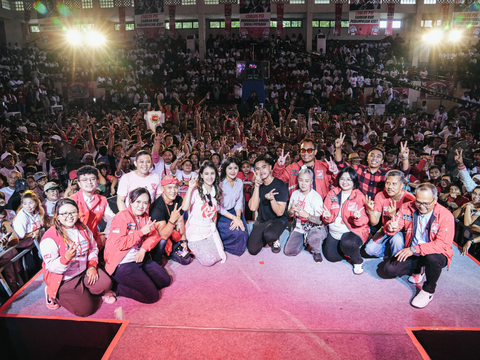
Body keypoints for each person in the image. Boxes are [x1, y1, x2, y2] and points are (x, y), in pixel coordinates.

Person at [383, 183, 454, 308]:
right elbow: (395, 225)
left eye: (426, 203)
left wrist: (415, 249)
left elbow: (443, 245)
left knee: (433, 258)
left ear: (435, 200)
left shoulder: (445, 215)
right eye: (419, 202)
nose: (422, 206)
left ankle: (428, 290)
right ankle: (419, 270)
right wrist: (391, 227)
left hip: (432, 252)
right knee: (389, 270)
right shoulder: (407, 207)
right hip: (413, 251)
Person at [40, 198, 115, 316]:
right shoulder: (50, 236)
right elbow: (51, 267)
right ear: (57, 216)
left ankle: (85, 291)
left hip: (84, 270)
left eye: (73, 212)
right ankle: (52, 293)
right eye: (64, 213)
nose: (69, 216)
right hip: (65, 278)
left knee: (105, 284)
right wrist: (65, 259)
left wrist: (91, 266)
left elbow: (93, 248)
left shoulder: (83, 228)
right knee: (85, 311)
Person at [105, 188, 171, 304]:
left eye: (145, 203)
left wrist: (144, 249)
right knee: (152, 296)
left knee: (164, 281)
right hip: (122, 263)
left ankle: (139, 280)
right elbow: (120, 244)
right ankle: (118, 288)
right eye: (138, 202)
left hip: (139, 257)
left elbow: (155, 236)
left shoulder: (145, 217)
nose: (141, 206)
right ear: (130, 201)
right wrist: (141, 232)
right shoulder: (122, 217)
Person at [322, 167, 369, 274]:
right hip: (334, 231)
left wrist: (357, 218)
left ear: (354, 181)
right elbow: (326, 214)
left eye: (349, 179)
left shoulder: (359, 196)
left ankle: (357, 260)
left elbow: (364, 220)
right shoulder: (332, 193)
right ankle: (347, 250)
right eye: (342, 179)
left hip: (353, 231)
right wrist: (327, 216)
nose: (345, 182)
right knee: (331, 257)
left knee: (347, 243)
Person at [335, 133, 410, 199]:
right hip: (359, 206)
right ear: (367, 158)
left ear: (382, 161)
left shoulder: (387, 173)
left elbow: (403, 173)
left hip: (378, 208)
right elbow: (341, 164)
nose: (374, 158)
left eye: (378, 156)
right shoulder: (359, 169)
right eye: (372, 155)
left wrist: (405, 158)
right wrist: (338, 148)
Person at [182, 161, 227, 266]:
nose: (209, 177)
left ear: (216, 175)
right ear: (201, 175)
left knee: (220, 254)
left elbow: (215, 213)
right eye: (206, 174)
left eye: (212, 173)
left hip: (209, 230)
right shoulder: (196, 191)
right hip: (195, 232)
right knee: (210, 261)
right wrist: (190, 188)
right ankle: (192, 247)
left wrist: (213, 230)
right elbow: (184, 207)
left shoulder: (216, 191)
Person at [364, 170, 416, 258]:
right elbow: (374, 222)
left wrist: (393, 216)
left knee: (397, 240)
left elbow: (411, 226)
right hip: (385, 228)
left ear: (402, 185)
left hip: (402, 232)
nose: (390, 187)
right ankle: (390, 253)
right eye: (388, 183)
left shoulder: (410, 199)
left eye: (394, 184)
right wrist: (370, 211)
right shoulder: (380, 195)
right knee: (369, 250)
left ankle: (396, 261)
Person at [247, 156, 288, 255]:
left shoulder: (280, 185)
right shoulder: (256, 187)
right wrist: (256, 186)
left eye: (264, 167)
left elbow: (279, 212)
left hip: (278, 220)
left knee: (270, 235)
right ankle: (265, 235)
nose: (261, 170)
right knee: (252, 249)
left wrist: (272, 199)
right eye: (257, 168)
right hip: (262, 220)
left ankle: (274, 239)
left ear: (270, 168)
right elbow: (252, 208)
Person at [284, 166, 327, 262]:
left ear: (311, 182)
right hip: (300, 227)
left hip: (315, 227)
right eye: (301, 180)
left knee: (314, 237)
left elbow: (320, 221)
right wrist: (291, 210)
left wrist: (307, 215)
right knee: (289, 252)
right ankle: (305, 242)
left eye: (307, 181)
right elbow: (290, 215)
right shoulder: (295, 194)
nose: (303, 184)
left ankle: (316, 251)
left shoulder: (316, 197)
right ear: (298, 180)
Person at [273, 138, 338, 199]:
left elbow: (337, 183)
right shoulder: (293, 167)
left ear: (315, 152)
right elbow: (276, 180)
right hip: (297, 207)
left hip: (319, 207)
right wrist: (279, 166)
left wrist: (335, 172)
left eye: (309, 150)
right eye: (303, 150)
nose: (306, 153)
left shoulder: (324, 167)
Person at [149, 175, 192, 265]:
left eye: (175, 187)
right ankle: (158, 259)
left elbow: (180, 223)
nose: (173, 191)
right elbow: (163, 235)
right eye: (169, 187)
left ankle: (171, 251)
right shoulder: (157, 207)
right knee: (162, 242)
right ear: (162, 188)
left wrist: (183, 241)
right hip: (160, 239)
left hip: (173, 236)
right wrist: (172, 221)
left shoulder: (178, 199)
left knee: (187, 258)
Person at [70, 166, 116, 251]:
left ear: (97, 181)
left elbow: (112, 218)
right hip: (76, 243)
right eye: (85, 180)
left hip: (95, 240)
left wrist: (106, 235)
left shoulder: (102, 200)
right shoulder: (72, 201)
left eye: (92, 179)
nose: (89, 182)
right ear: (79, 183)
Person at [217, 158, 248, 256]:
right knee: (236, 233)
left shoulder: (239, 182)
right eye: (230, 168)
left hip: (235, 212)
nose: (233, 171)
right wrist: (234, 218)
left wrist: (238, 217)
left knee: (243, 232)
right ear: (225, 169)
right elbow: (218, 207)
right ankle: (220, 244)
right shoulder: (219, 183)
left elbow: (239, 201)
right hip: (222, 214)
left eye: (235, 168)